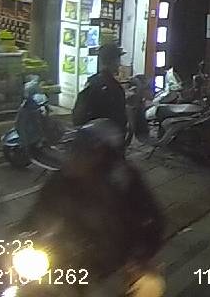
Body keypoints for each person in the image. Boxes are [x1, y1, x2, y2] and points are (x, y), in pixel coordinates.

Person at [22, 119, 165, 283]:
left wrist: (141, 256)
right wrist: (22, 232)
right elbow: (41, 208)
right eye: (75, 152)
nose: (75, 159)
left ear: (101, 156)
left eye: (84, 153)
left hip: (114, 259)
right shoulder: (63, 178)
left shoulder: (125, 181)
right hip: (68, 251)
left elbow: (153, 220)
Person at [73, 43, 128, 133]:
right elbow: (119, 119)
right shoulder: (114, 87)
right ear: (113, 61)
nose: (119, 64)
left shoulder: (92, 81)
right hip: (106, 136)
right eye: (118, 60)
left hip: (88, 133)